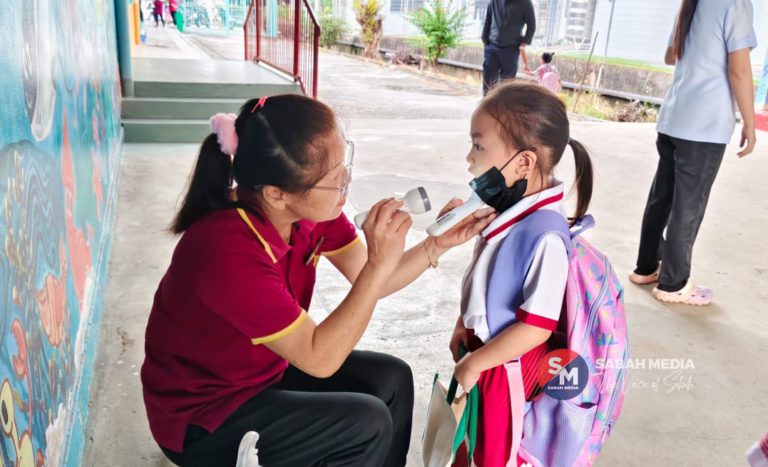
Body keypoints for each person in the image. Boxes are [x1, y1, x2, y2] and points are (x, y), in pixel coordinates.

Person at [140, 94, 495, 467]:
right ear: (277, 194)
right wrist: (377, 265)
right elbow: (320, 358)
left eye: (344, 164)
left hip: (263, 372)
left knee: (391, 379)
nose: (346, 180)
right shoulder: (226, 251)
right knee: (365, 424)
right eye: (333, 179)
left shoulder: (307, 212)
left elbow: (373, 278)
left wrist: (434, 244)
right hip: (205, 416)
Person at [449, 81, 594, 466]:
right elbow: (487, 286)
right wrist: (462, 324)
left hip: (504, 370)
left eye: (479, 146)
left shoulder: (545, 235)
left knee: (492, 454)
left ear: (524, 163)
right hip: (483, 357)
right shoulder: (513, 214)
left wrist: (476, 363)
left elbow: (536, 327)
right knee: (466, 444)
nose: (469, 158)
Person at [630, 0, 757, 305]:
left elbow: (670, 56)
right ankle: (673, 284)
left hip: (674, 118)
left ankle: (646, 268)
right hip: (704, 125)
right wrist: (750, 123)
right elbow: (739, 71)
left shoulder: (691, 3)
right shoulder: (735, 4)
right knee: (689, 206)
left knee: (661, 198)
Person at [481, 0, 535, 95]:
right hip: (492, 47)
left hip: (511, 49)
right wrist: (485, 41)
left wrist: (525, 41)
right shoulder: (494, 1)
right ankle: (487, 108)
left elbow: (531, 25)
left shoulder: (525, 3)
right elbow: (488, 20)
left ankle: (502, 109)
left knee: (506, 87)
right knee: (488, 85)